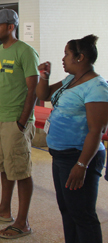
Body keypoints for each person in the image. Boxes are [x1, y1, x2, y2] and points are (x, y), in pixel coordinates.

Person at [36, 35, 108, 243]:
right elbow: (45, 94)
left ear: (80, 57)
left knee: (83, 214)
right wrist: (44, 76)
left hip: (78, 157)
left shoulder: (97, 87)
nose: (63, 58)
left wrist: (81, 164)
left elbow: (97, 130)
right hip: (61, 156)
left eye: (67, 54)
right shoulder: (71, 79)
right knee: (68, 210)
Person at [0, 9, 39, 239]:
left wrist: (22, 122)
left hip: (16, 121)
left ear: (10, 26)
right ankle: (4, 209)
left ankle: (23, 222)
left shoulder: (25, 52)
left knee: (21, 171)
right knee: (4, 166)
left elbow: (33, 89)